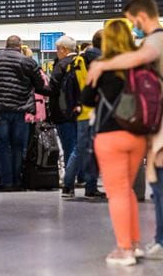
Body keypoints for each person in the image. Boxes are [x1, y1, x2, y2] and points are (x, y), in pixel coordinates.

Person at [88, 0, 163, 260]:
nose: (134, 27)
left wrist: (103, 63)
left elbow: (139, 58)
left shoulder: (157, 40)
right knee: (158, 182)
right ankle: (162, 240)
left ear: (141, 16)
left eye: (132, 21)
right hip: (158, 119)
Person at [81, 20, 146, 266]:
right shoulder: (140, 64)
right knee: (127, 190)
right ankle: (136, 243)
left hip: (110, 135)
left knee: (117, 193)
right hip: (137, 134)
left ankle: (124, 249)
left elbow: (86, 99)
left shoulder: (101, 66)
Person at [0, 36, 49, 192]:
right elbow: (40, 86)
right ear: (20, 46)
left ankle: (6, 182)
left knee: (3, 146)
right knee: (18, 146)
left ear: (6, 45)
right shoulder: (27, 61)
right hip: (20, 109)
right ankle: (17, 182)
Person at [62, 30, 105, 199]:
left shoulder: (79, 59)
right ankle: (91, 187)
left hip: (81, 111)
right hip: (97, 112)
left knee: (79, 150)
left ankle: (67, 185)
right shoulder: (103, 61)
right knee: (94, 151)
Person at [48, 35, 80, 187]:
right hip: (81, 111)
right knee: (78, 144)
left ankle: (69, 179)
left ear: (63, 49)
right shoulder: (82, 62)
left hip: (62, 111)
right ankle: (81, 176)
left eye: (57, 49)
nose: (56, 53)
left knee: (69, 146)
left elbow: (52, 87)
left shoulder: (61, 65)